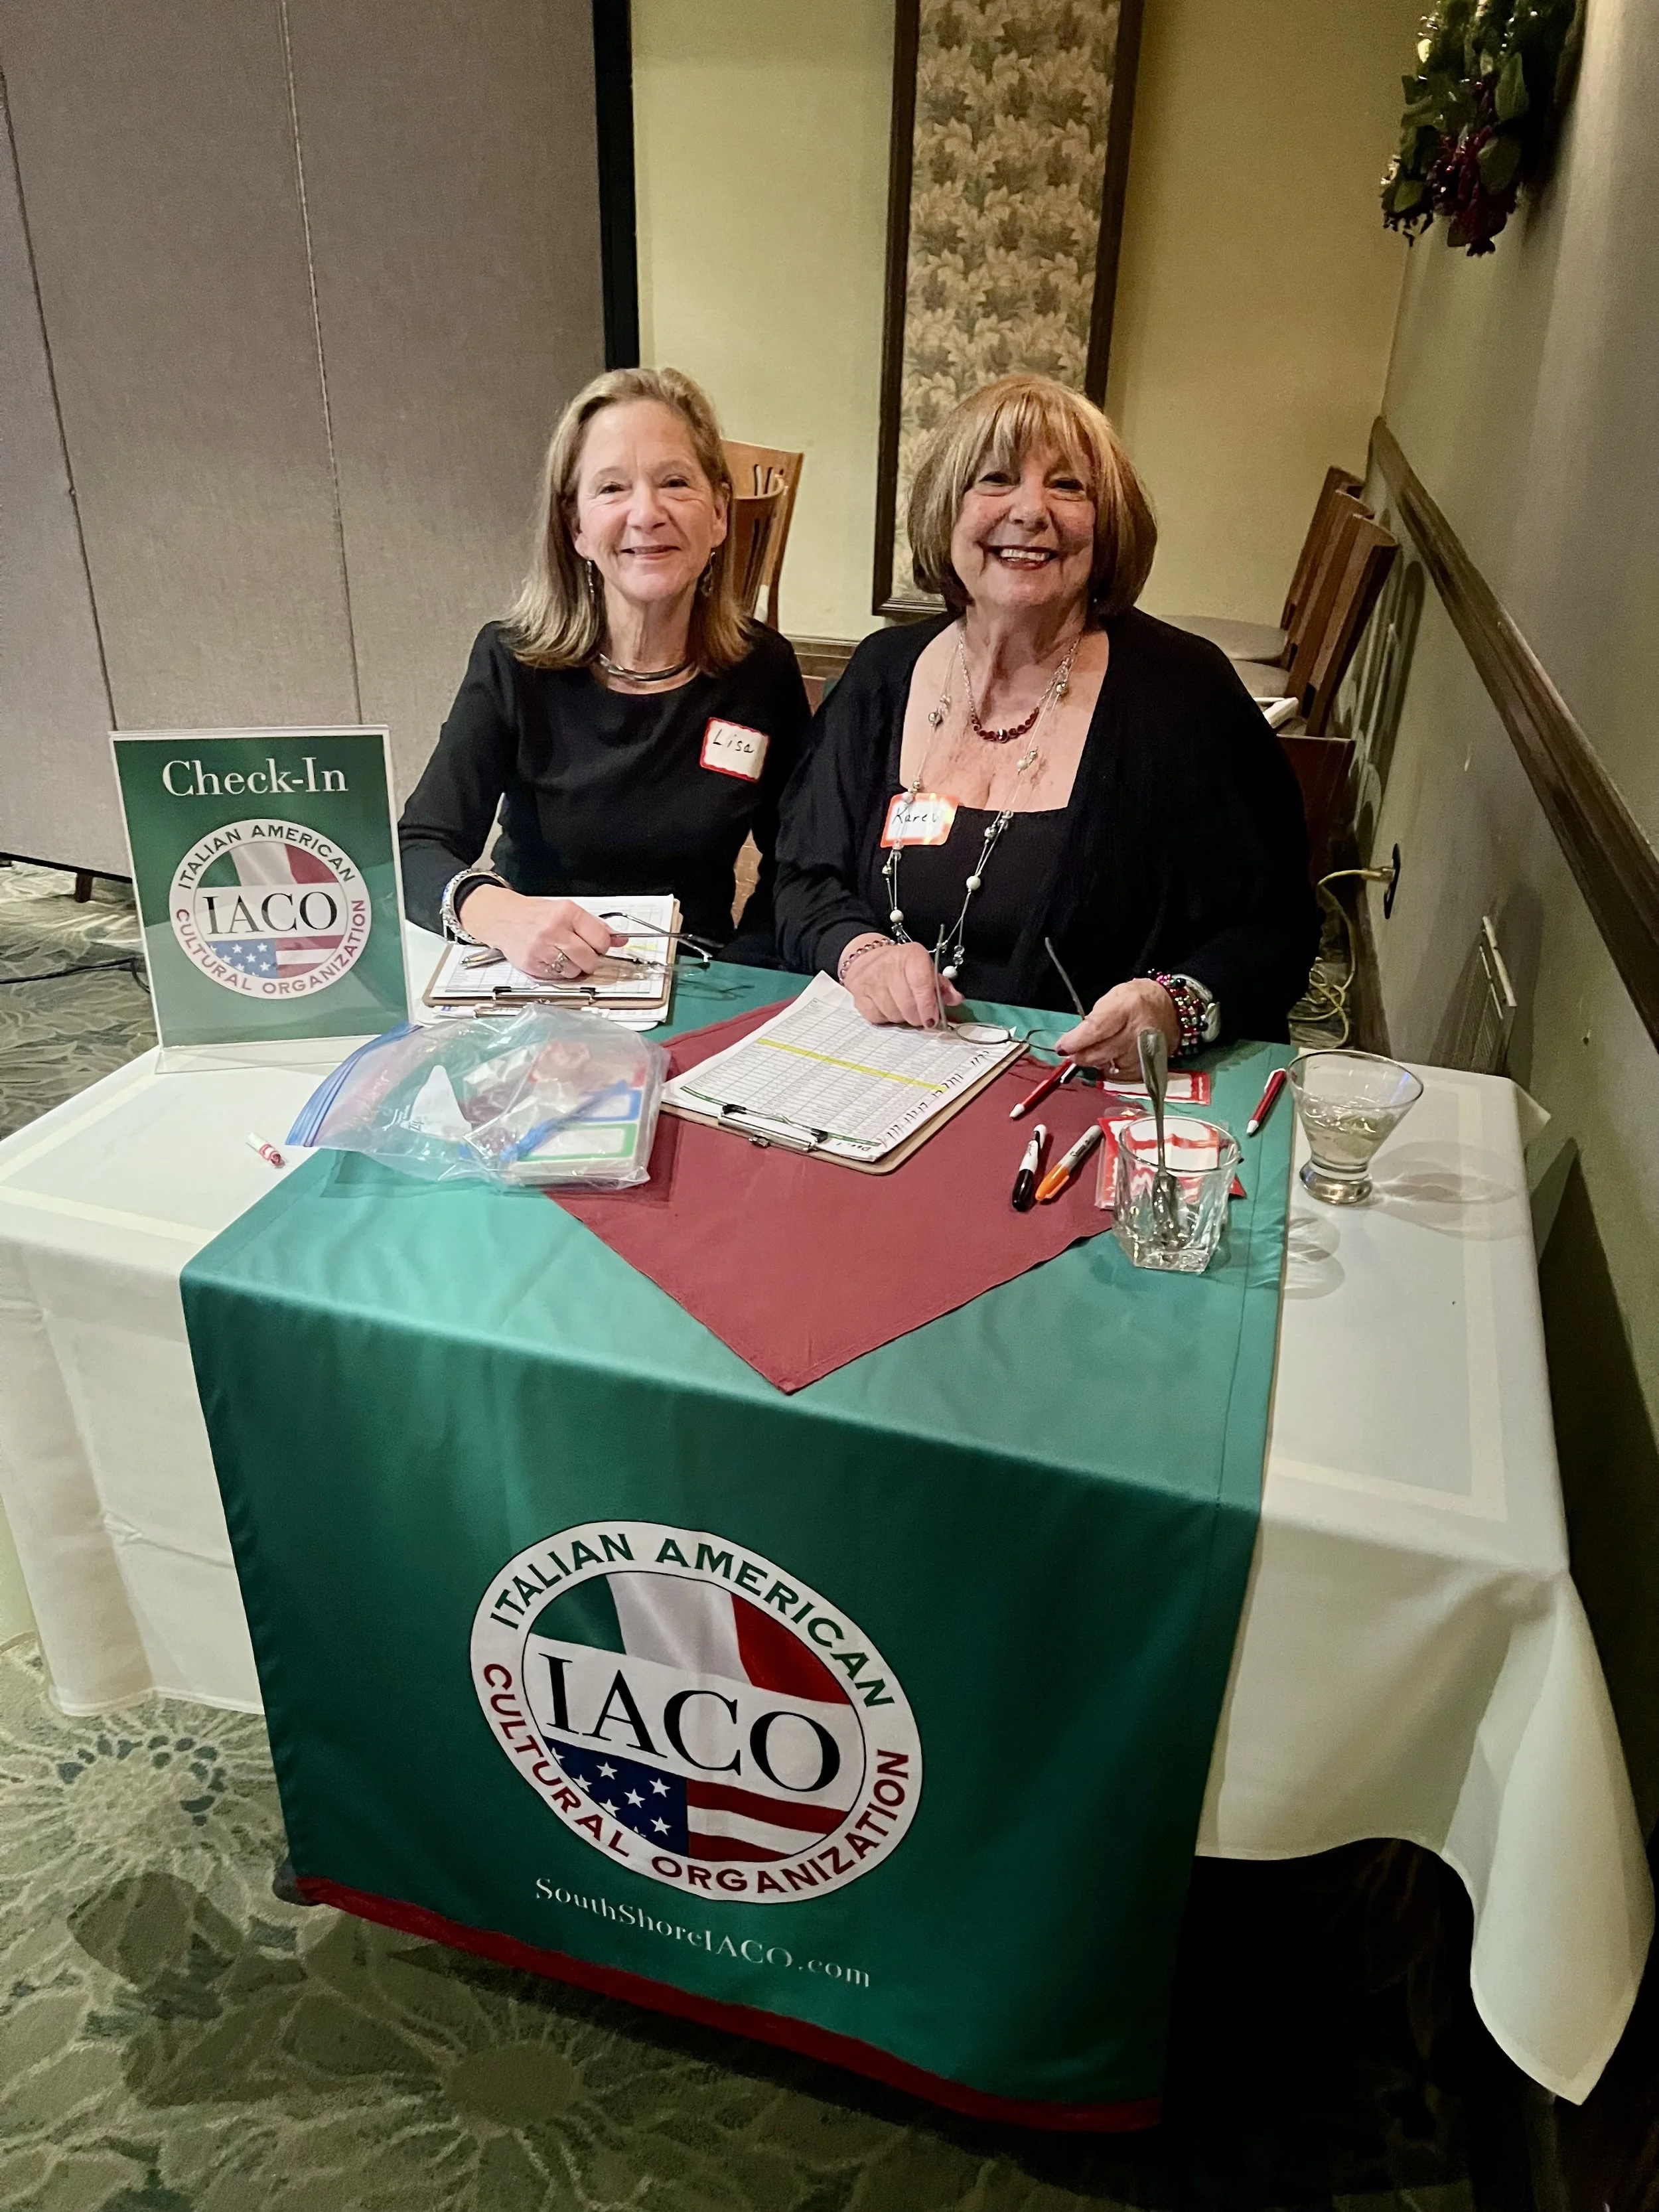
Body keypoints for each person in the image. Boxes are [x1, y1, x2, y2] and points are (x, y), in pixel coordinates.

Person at [773, 375, 1318, 1071]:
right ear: (946, 513)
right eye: (996, 479)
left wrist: (1174, 1007)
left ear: (1107, 523)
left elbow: (1277, 928)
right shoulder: (883, 674)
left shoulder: (1186, 695)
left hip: (1079, 1089)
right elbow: (799, 879)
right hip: (878, 1071)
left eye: (1068, 487)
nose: (1031, 511)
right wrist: (862, 954)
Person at [399, 367, 810, 980]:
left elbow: (796, 864)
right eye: (612, 489)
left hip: (698, 977)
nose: (646, 513)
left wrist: (738, 972)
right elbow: (416, 850)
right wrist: (499, 914)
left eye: (675, 482)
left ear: (719, 513)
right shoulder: (513, 660)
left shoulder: (763, 670)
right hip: (535, 980)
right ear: (576, 528)